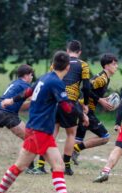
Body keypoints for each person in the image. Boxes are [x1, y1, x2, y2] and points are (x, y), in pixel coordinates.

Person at [0, 51, 87, 193]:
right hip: (38, 131)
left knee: (58, 166)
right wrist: (81, 114)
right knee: (19, 167)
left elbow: (28, 91)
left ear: (53, 65)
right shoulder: (56, 83)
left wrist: (12, 100)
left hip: (43, 131)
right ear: (68, 67)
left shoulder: (45, 77)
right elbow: (66, 107)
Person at [30, 40, 91, 175]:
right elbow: (86, 87)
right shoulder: (83, 65)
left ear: (67, 50)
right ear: (79, 52)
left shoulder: (56, 63)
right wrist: (85, 104)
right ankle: (67, 165)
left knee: (52, 132)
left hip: (55, 101)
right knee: (71, 133)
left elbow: (49, 78)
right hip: (70, 102)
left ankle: (40, 165)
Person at [72, 53, 118, 165]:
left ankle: (66, 162)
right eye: (114, 64)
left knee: (78, 138)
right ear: (106, 66)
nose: (116, 66)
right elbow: (85, 89)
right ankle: (75, 149)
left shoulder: (105, 78)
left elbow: (91, 91)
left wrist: (102, 98)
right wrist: (100, 100)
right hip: (86, 109)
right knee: (105, 137)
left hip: (82, 108)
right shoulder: (102, 79)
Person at [0, 64, 33, 144]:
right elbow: (36, 100)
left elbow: (19, 106)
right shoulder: (25, 86)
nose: (32, 77)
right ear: (26, 76)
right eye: (31, 75)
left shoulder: (14, 83)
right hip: (7, 114)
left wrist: (30, 104)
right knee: (32, 140)